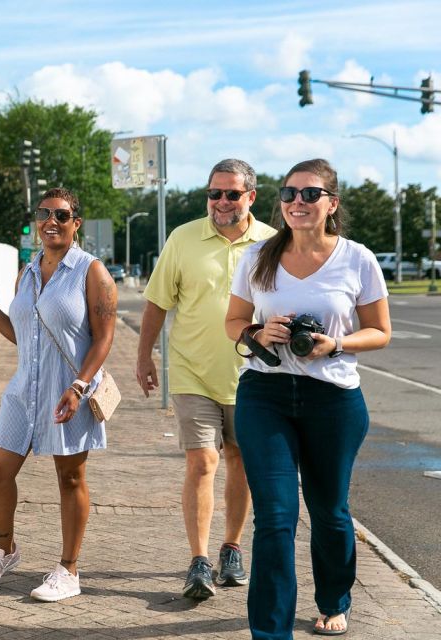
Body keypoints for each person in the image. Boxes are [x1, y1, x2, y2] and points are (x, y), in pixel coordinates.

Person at [225, 158, 391, 638]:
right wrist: (259, 332)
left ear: (331, 204)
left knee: (330, 511)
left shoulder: (358, 258)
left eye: (310, 194)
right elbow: (233, 322)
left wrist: (335, 343)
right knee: (275, 517)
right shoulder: (257, 257)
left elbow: (380, 331)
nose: (297, 202)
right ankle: (271, 632)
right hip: (265, 394)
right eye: (289, 193)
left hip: (333, 399)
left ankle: (334, 599)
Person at [0, 187, 116, 602]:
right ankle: (6, 550)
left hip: (68, 391)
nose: (51, 222)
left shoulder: (92, 272)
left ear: (76, 223)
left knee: (70, 477)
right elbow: (22, 334)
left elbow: (104, 339)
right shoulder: (26, 272)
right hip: (23, 390)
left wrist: (79, 386)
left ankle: (69, 570)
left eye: (61, 215)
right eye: (44, 213)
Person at [136, 159, 276, 600]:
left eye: (232, 194)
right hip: (192, 372)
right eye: (214, 193)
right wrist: (143, 355)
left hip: (251, 374)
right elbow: (158, 303)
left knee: (240, 461)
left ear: (251, 196)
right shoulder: (183, 238)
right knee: (202, 462)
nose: (221, 202)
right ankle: (198, 560)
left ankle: (231, 548)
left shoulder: (272, 243)